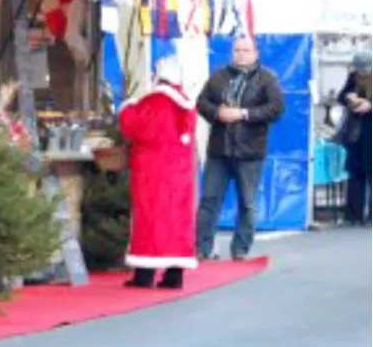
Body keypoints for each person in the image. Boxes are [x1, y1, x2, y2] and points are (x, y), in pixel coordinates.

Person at [195, 35, 284, 261]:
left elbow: (276, 108)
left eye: (246, 50)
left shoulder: (267, 79)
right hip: (219, 150)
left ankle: (240, 248)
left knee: (248, 203)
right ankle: (201, 247)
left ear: (256, 53)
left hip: (250, 151)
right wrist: (217, 113)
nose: (241, 54)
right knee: (209, 200)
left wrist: (244, 114)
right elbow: (201, 102)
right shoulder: (219, 76)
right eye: (237, 50)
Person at [119, 56, 199, 289]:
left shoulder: (153, 102)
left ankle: (144, 275)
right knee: (178, 221)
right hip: (180, 173)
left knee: (149, 219)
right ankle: (175, 276)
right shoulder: (186, 103)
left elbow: (132, 126)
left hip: (151, 171)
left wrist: (127, 104)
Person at [336, 51, 373, 224]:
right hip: (356, 132)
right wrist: (350, 98)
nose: (363, 72)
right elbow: (341, 97)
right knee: (355, 172)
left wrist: (370, 105)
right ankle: (354, 214)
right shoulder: (353, 77)